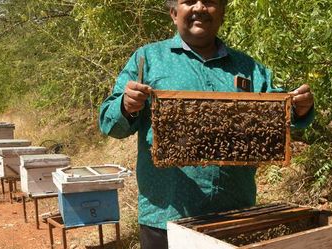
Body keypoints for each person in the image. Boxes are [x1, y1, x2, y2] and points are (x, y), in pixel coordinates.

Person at [99, 0, 314, 248]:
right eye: (189, 1)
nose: (200, 7)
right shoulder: (147, 59)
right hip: (166, 219)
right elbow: (110, 123)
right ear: (173, 13)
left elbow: (280, 115)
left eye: (210, 1)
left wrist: (299, 108)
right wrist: (126, 106)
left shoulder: (249, 68)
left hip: (235, 215)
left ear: (222, 14)